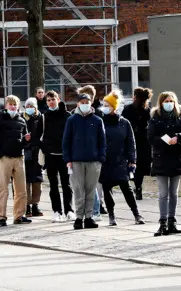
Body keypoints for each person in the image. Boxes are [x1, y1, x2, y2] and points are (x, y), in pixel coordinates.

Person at [149, 91, 181, 236]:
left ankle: (172, 221)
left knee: (174, 193)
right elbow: (150, 137)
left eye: (171, 101)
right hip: (161, 158)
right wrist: (165, 139)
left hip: (176, 158)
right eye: (166, 101)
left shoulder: (180, 117)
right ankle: (163, 222)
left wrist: (178, 137)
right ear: (161, 103)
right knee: (163, 193)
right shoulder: (155, 118)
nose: (169, 104)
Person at [99, 90, 145, 226]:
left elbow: (130, 143)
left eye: (107, 105)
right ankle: (111, 215)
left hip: (120, 161)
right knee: (107, 189)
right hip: (105, 161)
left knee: (126, 188)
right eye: (103, 105)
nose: (104, 108)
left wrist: (132, 160)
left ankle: (136, 214)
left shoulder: (124, 123)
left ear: (114, 107)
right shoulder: (100, 122)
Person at [62, 92, 106, 229]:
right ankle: (79, 217)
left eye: (87, 102)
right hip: (76, 161)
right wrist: (68, 159)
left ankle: (89, 217)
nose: (85, 105)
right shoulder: (72, 120)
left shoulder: (97, 120)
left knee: (91, 190)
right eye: (82, 102)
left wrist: (100, 158)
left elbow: (102, 141)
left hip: (93, 161)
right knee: (78, 190)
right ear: (78, 104)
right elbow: (66, 141)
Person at [0, 95, 32, 226]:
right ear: (6, 106)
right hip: (5, 158)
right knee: (3, 189)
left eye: (15, 104)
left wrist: (26, 140)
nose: (13, 107)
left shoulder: (22, 121)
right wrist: (0, 155)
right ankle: (2, 217)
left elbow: (24, 141)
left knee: (21, 190)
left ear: (18, 106)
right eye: (10, 104)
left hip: (19, 157)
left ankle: (19, 215)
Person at [37, 90, 74, 222]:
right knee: (53, 185)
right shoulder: (43, 117)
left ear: (58, 99)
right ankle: (56, 211)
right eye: (48, 100)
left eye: (53, 99)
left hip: (65, 156)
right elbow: (37, 136)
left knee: (66, 185)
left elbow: (72, 135)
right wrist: (44, 148)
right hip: (50, 156)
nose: (51, 102)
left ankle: (69, 210)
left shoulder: (67, 115)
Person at [121, 87, 153, 201]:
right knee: (141, 166)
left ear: (134, 97)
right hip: (144, 141)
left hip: (131, 139)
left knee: (132, 163)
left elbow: (122, 123)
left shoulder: (128, 109)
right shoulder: (148, 110)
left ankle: (135, 185)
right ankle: (138, 187)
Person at [23, 97, 44, 217]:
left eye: (32, 106)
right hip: (25, 152)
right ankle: (27, 206)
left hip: (37, 152)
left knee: (37, 180)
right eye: (28, 106)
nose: (29, 108)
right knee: (26, 180)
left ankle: (35, 205)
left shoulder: (41, 118)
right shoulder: (22, 118)